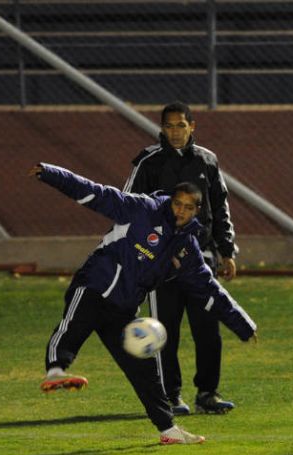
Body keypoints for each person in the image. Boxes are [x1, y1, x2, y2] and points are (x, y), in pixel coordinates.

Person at [30, 162, 257, 445]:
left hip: (124, 310)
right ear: (171, 201)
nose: (181, 210)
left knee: (144, 370)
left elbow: (208, 289)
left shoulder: (187, 249)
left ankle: (168, 429)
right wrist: (52, 173)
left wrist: (242, 324)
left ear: (197, 211)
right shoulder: (142, 209)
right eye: (178, 204)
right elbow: (95, 193)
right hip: (96, 285)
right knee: (73, 325)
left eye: (188, 207)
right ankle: (56, 369)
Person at [122, 101, 238, 415]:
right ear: (162, 128)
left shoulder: (207, 160)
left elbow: (220, 208)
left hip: (201, 262)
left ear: (192, 126)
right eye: (169, 126)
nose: (175, 132)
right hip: (162, 265)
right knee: (164, 331)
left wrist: (226, 251)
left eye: (180, 126)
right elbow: (129, 208)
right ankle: (171, 396)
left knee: (208, 332)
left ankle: (207, 394)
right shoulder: (148, 162)